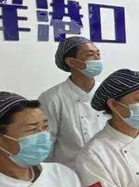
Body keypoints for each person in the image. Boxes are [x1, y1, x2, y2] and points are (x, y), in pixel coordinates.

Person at [38, 36, 108, 170]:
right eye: (90, 55)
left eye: (98, 54)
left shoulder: (109, 93)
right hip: (71, 172)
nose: (97, 59)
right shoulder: (52, 98)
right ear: (70, 61)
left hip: (109, 170)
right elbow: (46, 145)